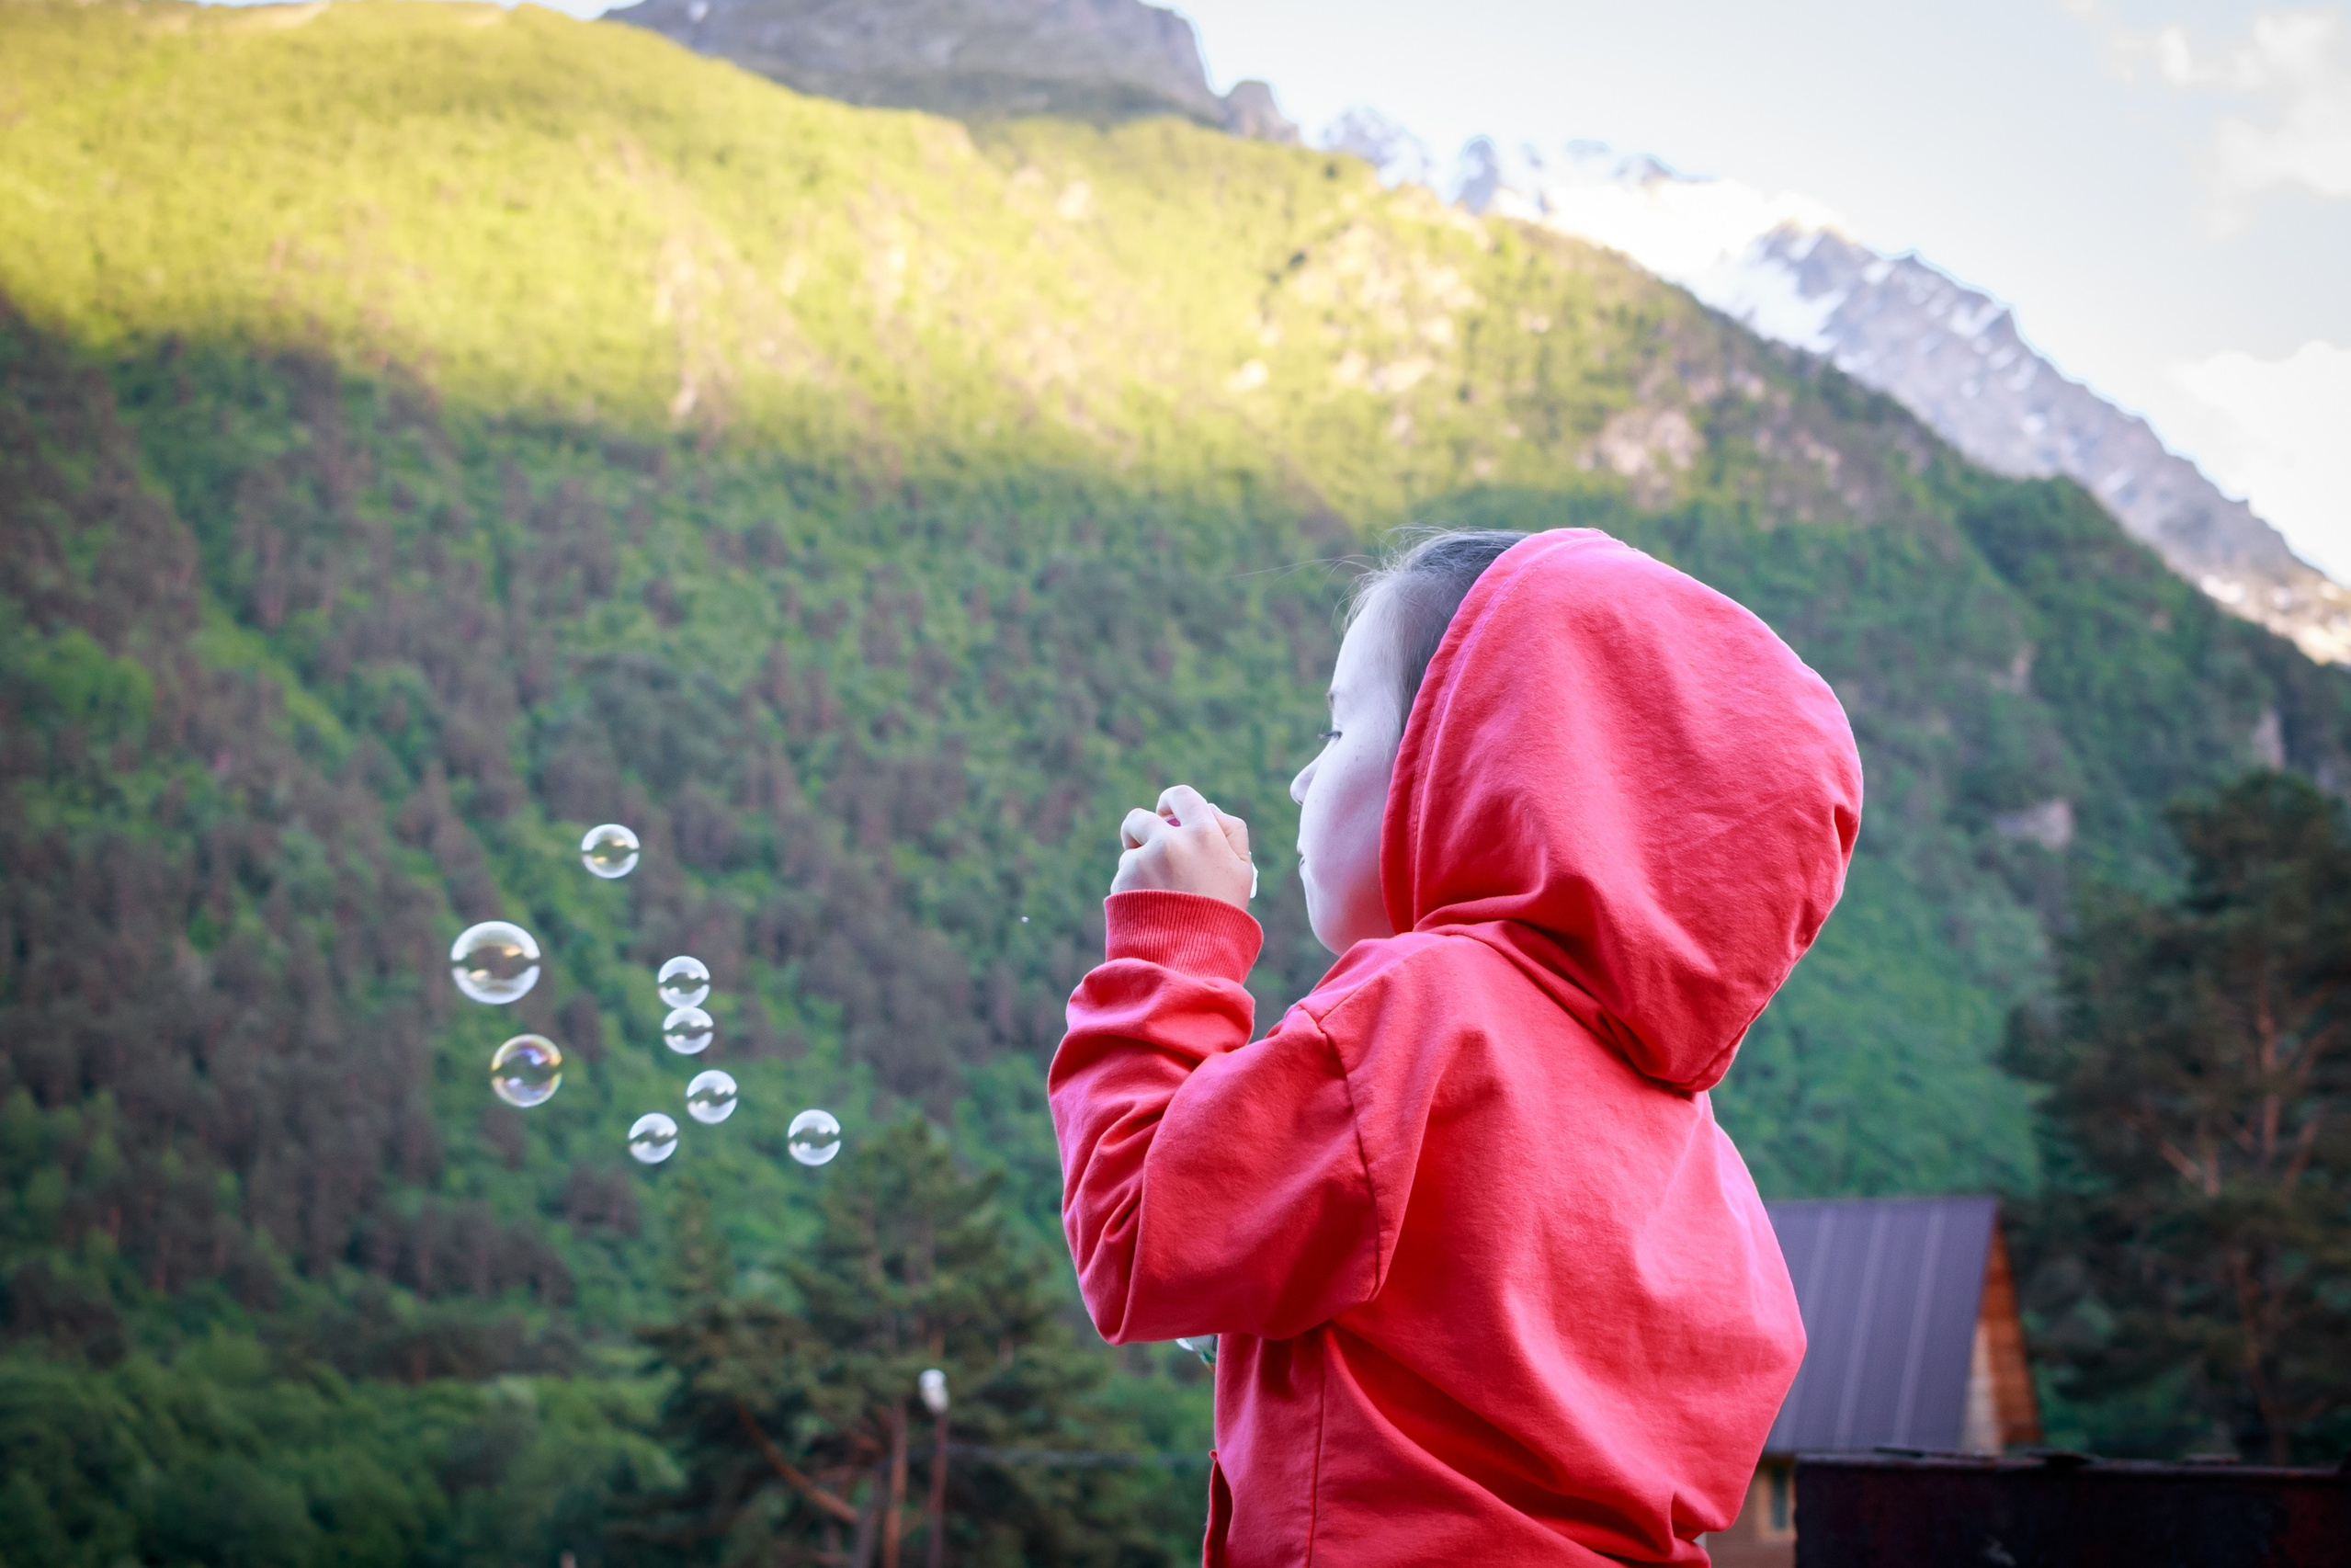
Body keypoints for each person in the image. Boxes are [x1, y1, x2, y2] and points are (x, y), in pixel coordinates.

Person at [1049, 528, 1862, 1564]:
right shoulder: (1690, 1145)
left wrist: (1175, 950)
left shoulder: (1421, 1012)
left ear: (1469, 759)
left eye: (1339, 731)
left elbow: (1134, 1229)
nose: (1302, 781)